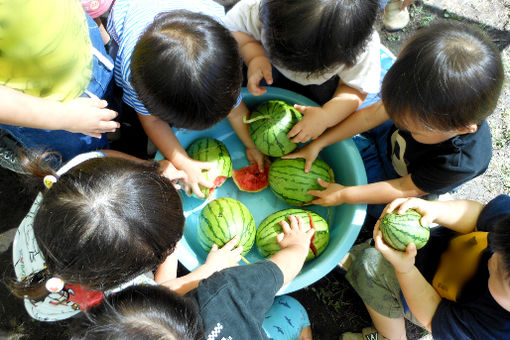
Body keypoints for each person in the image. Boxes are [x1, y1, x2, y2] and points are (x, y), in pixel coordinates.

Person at [285, 22, 504, 217]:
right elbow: (372, 115)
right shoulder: (413, 99)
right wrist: (320, 143)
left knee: (377, 208)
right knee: (361, 107)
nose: (402, 123)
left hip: (404, 177)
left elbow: (403, 186)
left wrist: (344, 194)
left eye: (413, 129)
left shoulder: (459, 162)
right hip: (391, 141)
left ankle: (432, 197)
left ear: (463, 129)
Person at [107, 0, 265, 198]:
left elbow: (236, 110)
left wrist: (252, 145)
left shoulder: (220, 58)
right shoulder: (135, 77)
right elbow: (153, 120)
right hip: (129, 13)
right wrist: (184, 162)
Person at [9, 150, 189, 321]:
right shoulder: (122, 288)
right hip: (53, 301)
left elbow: (101, 155)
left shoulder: (74, 182)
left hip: (27, 250)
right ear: (120, 275)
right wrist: (200, 263)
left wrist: (155, 167)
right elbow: (163, 292)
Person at [71, 215, 314, 339]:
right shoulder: (227, 292)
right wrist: (298, 246)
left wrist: (173, 248)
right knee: (291, 308)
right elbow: (281, 270)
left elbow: (164, 290)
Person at [341, 195, 510, 339]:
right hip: (433, 250)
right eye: (499, 249)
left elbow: (432, 315)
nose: (492, 259)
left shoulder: (493, 330)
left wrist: (405, 270)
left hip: (427, 299)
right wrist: (434, 210)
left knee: (369, 263)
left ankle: (389, 336)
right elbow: (478, 214)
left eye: (499, 273)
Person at [224, 0, 381, 144]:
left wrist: (327, 116)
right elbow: (236, 31)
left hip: (321, 88)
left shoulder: (363, 51)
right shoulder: (256, 9)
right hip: (266, 66)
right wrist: (254, 56)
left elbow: (354, 90)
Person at [0, 0, 119, 164]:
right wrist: (66, 117)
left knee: (109, 103)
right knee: (85, 159)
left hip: (86, 47)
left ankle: (111, 134)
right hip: (50, 111)